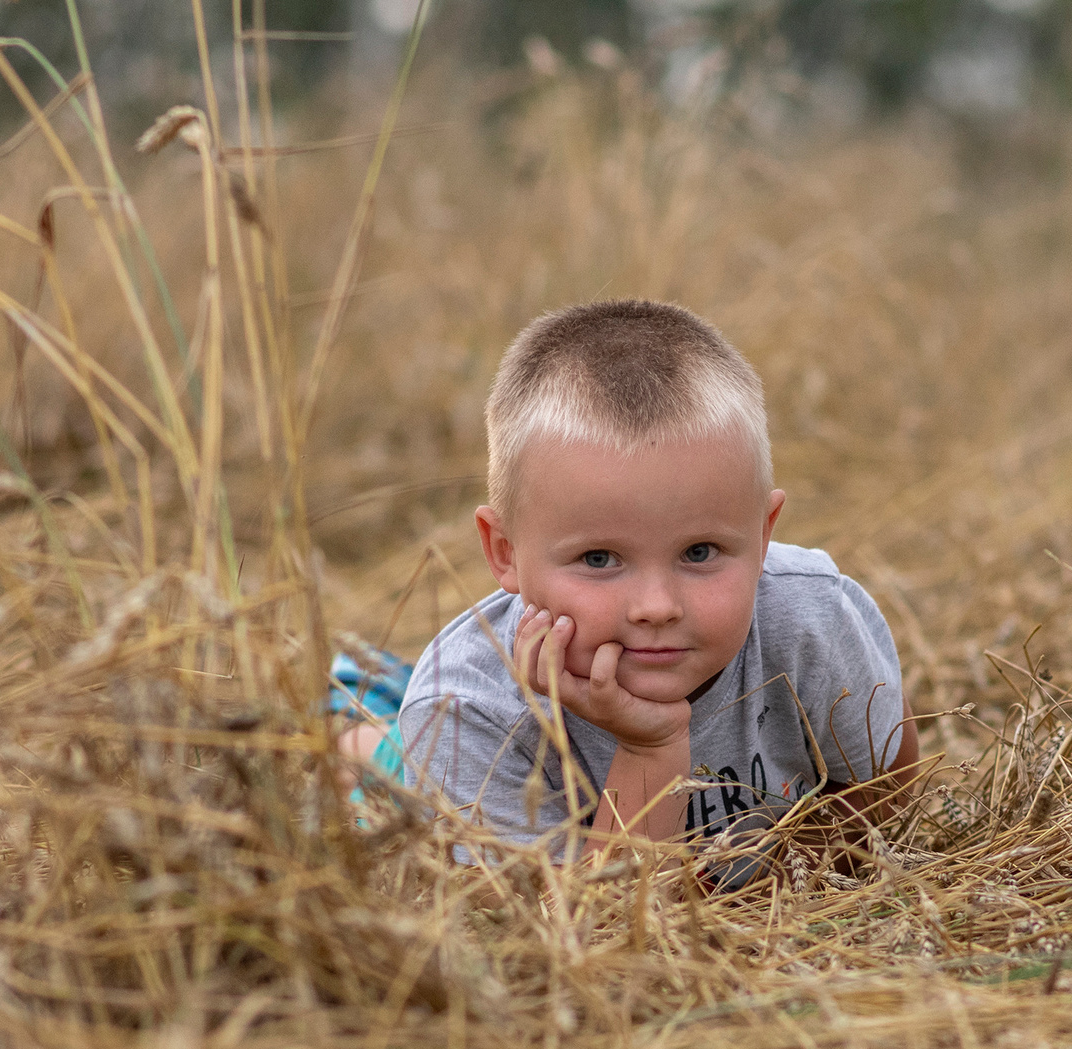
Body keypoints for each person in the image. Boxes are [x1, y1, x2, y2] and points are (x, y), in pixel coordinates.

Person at [392, 298, 917, 858]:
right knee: (372, 753)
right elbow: (585, 914)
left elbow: (887, 790)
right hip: (413, 759)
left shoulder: (812, 616)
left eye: (699, 552)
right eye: (599, 559)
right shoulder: (465, 716)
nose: (656, 606)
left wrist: (782, 882)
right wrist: (650, 749)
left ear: (763, 535)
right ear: (505, 553)